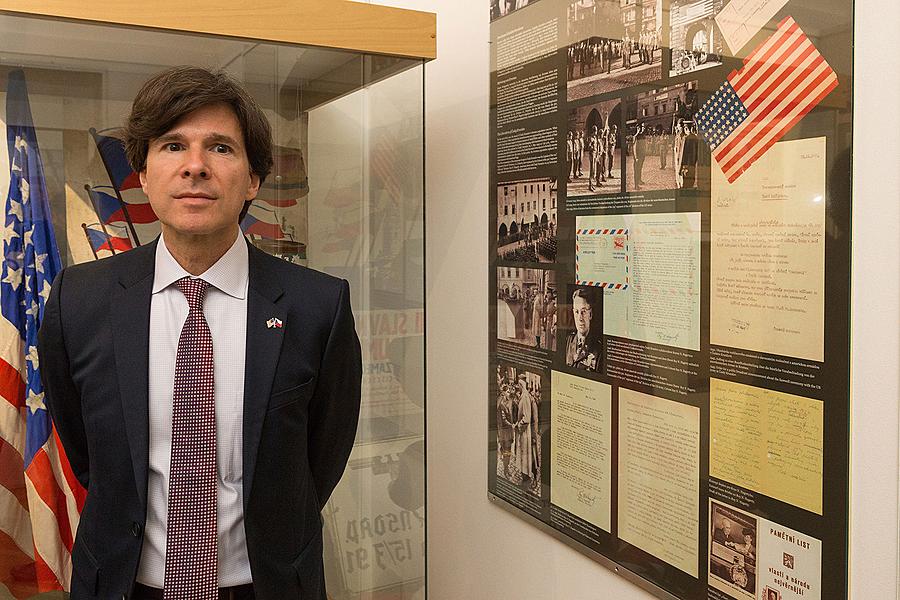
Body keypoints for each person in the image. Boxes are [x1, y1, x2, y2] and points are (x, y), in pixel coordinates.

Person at [39, 67, 362, 600]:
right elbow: (86, 451)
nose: (195, 167)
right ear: (143, 175)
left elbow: (320, 459)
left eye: (220, 148)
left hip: (266, 586)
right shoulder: (80, 298)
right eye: (172, 146)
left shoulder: (317, 306)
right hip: (125, 585)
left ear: (253, 179)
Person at [564, 288, 601, 372]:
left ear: (590, 314)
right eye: (577, 312)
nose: (580, 318)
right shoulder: (568, 341)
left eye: (583, 312)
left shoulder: (598, 350)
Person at [514, 375, 535, 491]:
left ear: (522, 385)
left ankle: (526, 480)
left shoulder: (525, 397)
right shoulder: (523, 396)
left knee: (525, 455)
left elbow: (526, 418)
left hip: (524, 432)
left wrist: (518, 425)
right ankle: (525, 478)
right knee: (523, 455)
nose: (517, 387)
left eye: (518, 385)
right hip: (523, 432)